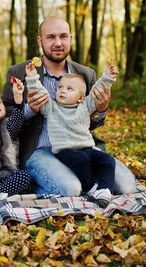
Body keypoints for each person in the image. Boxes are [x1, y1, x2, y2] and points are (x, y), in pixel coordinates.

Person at [2, 17, 137, 196]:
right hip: (40, 150)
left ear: (70, 39)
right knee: (71, 189)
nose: (58, 43)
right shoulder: (20, 72)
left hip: (81, 148)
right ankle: (33, 183)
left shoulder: (86, 74)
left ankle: (77, 182)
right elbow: (3, 121)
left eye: (63, 36)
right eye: (51, 37)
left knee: (127, 187)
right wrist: (29, 110)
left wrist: (101, 108)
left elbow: (92, 121)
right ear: (40, 41)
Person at [24, 61, 119, 206]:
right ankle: (90, 188)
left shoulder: (85, 105)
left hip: (87, 147)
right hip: (65, 150)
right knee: (80, 160)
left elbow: (97, 91)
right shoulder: (51, 107)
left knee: (107, 160)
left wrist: (108, 78)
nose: (62, 91)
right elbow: (40, 92)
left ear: (81, 97)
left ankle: (104, 190)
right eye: (60, 87)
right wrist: (32, 77)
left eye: (69, 89)